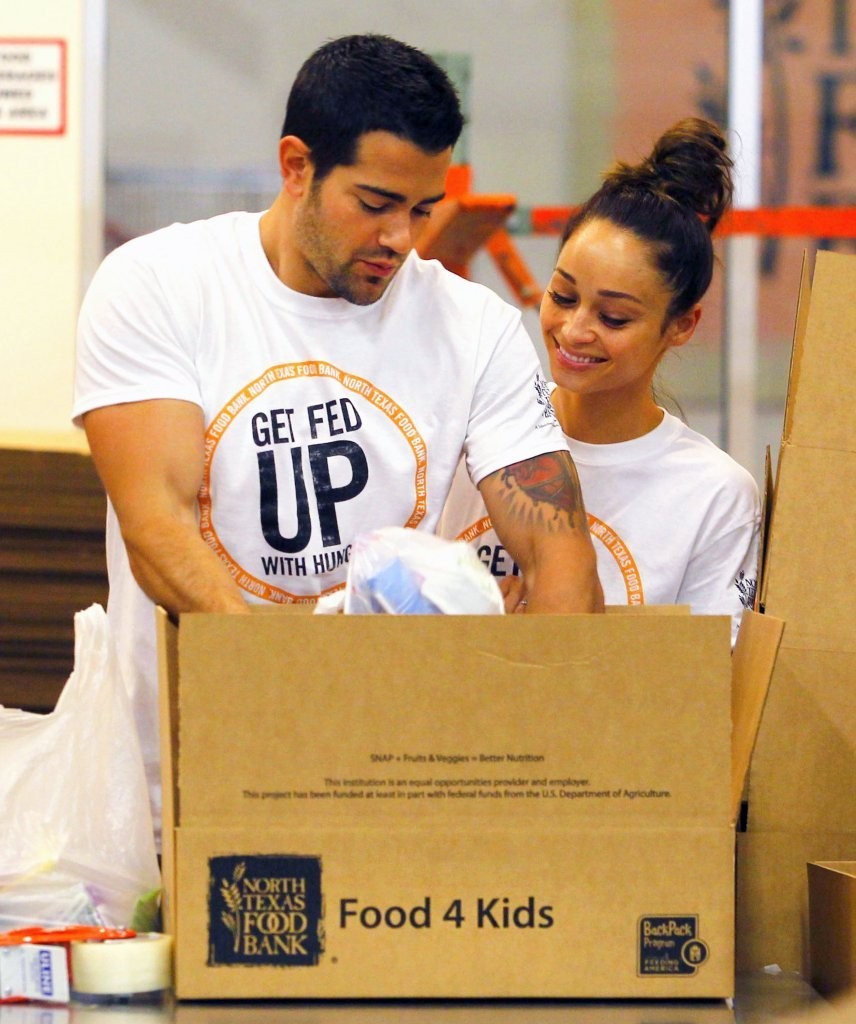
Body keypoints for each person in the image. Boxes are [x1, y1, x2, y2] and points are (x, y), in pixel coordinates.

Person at [72, 33, 603, 839]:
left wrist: (517, 750)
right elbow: (158, 531)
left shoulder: (476, 329)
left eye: (424, 210)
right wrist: (303, 697)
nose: (402, 239)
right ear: (296, 166)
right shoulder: (159, 286)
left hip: (386, 790)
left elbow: (558, 560)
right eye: (376, 203)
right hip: (171, 787)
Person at [441, 117, 759, 643]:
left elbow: (706, 689)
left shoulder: (713, 495)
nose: (574, 330)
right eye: (562, 296)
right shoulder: (481, 429)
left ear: (681, 325)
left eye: (614, 318)